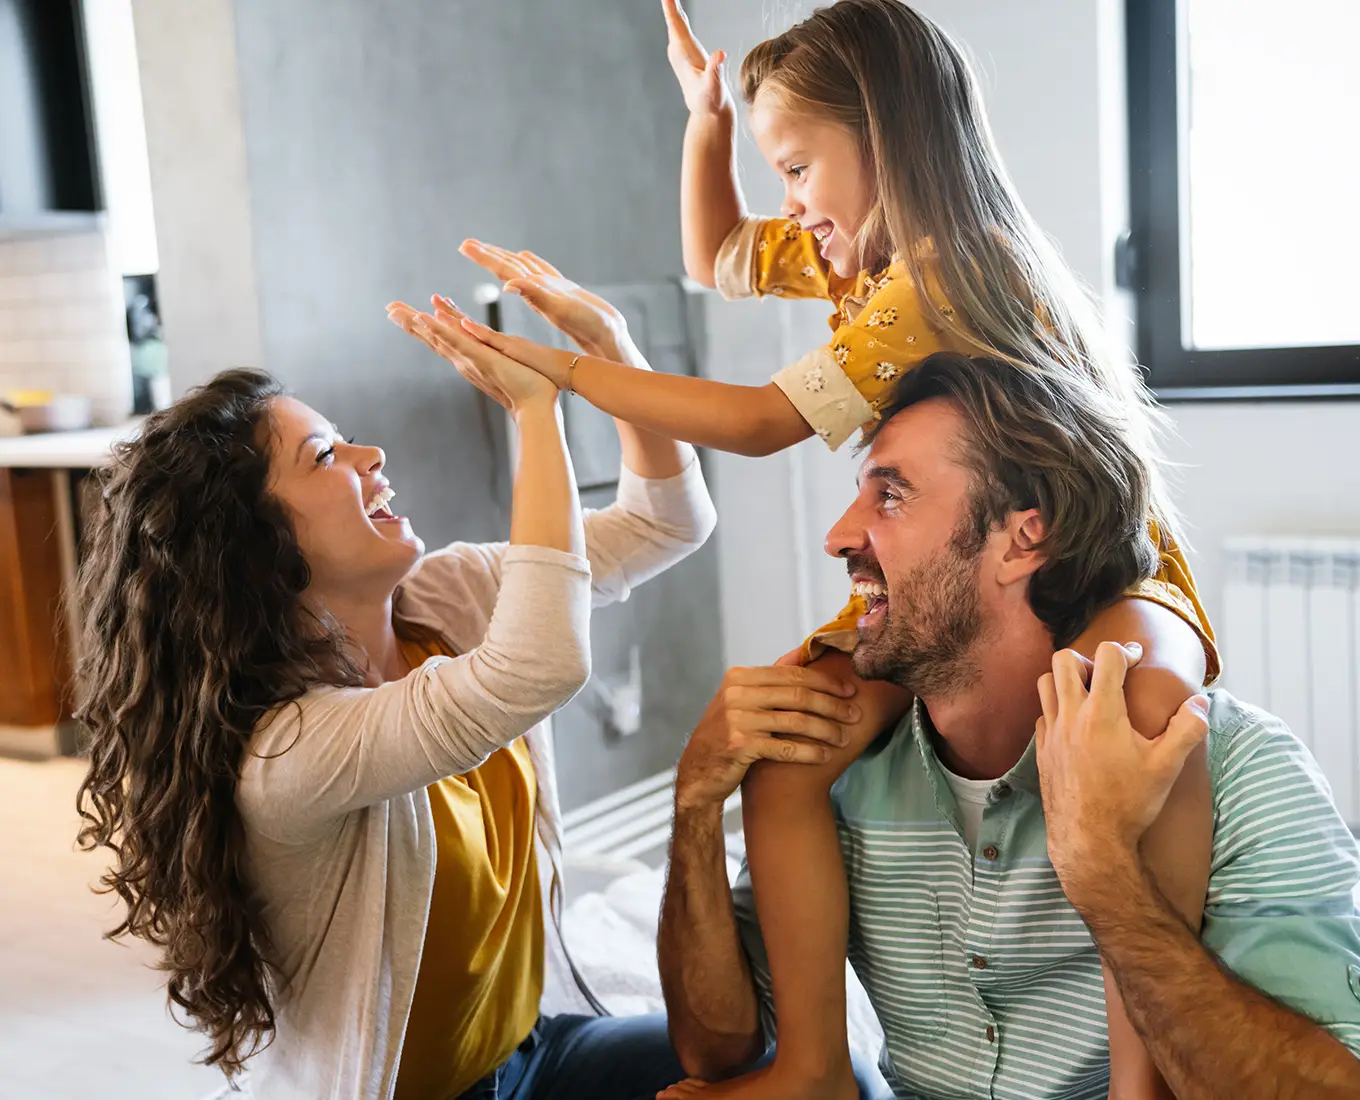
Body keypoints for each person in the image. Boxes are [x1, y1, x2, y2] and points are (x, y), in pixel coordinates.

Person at [450, 1, 1214, 1091]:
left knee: (1130, 717)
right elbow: (716, 254)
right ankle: (809, 1065)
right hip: (960, 567)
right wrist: (703, 121)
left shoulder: (946, 270)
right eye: (779, 172)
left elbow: (763, 419)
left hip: (1102, 566)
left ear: (887, 140)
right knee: (789, 743)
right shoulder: (856, 256)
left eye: (799, 167)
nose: (789, 203)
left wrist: (563, 373)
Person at [656, 351, 1360, 1100]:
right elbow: (717, 1052)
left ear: (1024, 540)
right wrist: (694, 805)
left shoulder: (1233, 769)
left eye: (890, 497)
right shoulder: (838, 768)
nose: (837, 535)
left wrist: (1107, 878)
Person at [74, 293, 715, 1099]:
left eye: (347, 440)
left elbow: (666, 524)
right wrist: (536, 414)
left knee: (799, 1067)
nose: (370, 455)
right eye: (323, 456)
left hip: (531, 1052)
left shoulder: (447, 598)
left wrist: (612, 354)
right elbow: (537, 667)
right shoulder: (289, 751)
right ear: (254, 546)